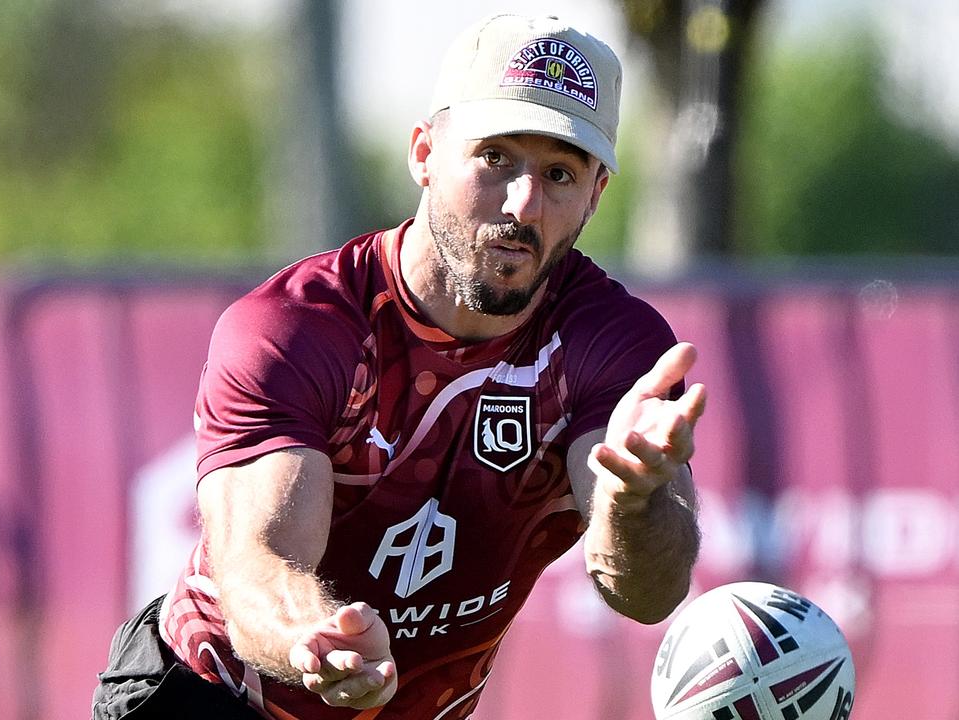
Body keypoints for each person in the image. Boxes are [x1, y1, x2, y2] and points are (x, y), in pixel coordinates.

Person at [93, 13, 706, 720]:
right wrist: (314, 643)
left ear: (596, 195)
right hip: (210, 697)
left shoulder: (614, 346)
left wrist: (630, 505)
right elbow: (257, 564)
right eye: (496, 157)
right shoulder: (300, 328)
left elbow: (646, 592)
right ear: (424, 153)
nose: (523, 203)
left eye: (560, 173)